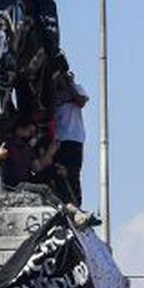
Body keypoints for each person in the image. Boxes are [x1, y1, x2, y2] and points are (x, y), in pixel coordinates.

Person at [51, 73, 87, 207]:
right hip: (59, 139)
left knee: (73, 173)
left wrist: (70, 84)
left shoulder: (77, 88)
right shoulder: (52, 92)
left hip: (74, 137)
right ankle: (63, 203)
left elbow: (81, 101)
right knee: (59, 172)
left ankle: (77, 204)